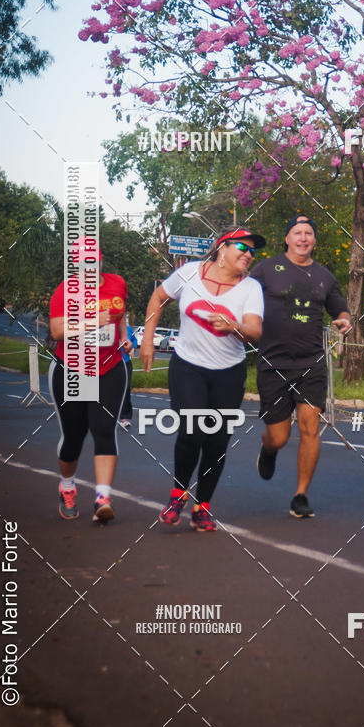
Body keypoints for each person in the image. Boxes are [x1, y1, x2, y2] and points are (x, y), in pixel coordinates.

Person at [140, 227, 265, 531]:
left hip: (229, 372)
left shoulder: (251, 288)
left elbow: (256, 331)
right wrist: (147, 339)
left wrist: (234, 325)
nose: (248, 254)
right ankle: (178, 493)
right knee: (193, 429)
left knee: (217, 440)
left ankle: (203, 506)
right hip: (188, 366)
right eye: (242, 247)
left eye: (252, 251)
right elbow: (158, 298)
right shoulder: (190, 273)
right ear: (222, 247)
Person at [251, 215, 351, 518]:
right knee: (279, 436)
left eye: (309, 233)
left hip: (311, 361)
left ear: (314, 240)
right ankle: (268, 449)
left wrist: (343, 320)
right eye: (297, 233)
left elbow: (340, 308)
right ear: (287, 238)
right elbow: (243, 299)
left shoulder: (324, 276)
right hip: (273, 362)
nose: (303, 238)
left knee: (310, 428)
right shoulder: (265, 269)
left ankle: (300, 495)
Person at [48, 238, 131, 523]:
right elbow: (57, 330)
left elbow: (118, 314)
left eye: (93, 261)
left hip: (109, 368)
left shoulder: (117, 282)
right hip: (72, 369)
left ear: (100, 259)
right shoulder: (65, 291)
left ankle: (102, 498)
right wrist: (94, 320)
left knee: (104, 431)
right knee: (73, 438)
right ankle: (67, 486)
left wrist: (123, 337)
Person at [120, 322, 138, 427]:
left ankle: (124, 417)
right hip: (109, 363)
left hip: (126, 362)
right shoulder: (105, 328)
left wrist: (133, 348)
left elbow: (134, 340)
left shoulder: (128, 329)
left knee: (126, 389)